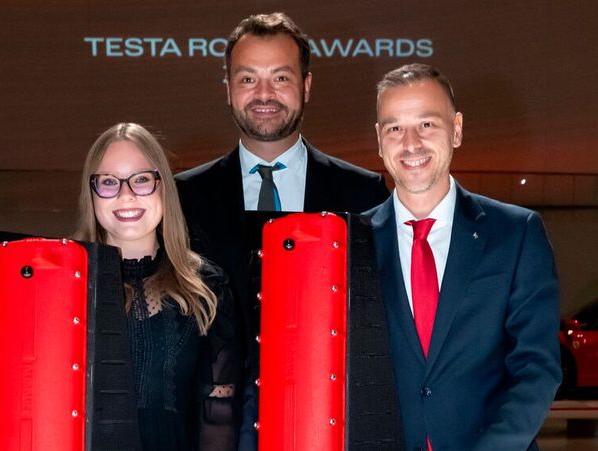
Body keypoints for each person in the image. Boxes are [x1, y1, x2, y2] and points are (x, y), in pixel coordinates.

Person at [175, 12, 389, 449]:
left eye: (281, 77)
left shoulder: (363, 193)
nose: (265, 94)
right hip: (215, 433)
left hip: (326, 424)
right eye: (248, 79)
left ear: (307, 86)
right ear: (228, 90)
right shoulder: (183, 197)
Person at [364, 64, 561, 450]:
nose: (411, 143)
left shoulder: (516, 233)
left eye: (426, 125)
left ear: (456, 129)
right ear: (379, 139)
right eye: (394, 128)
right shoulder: (351, 243)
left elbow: (536, 370)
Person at [75, 122, 241, 450]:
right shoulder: (64, 283)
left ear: (162, 187)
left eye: (141, 180)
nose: (126, 195)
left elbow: (219, 418)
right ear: (91, 194)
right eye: (109, 182)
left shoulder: (207, 289)